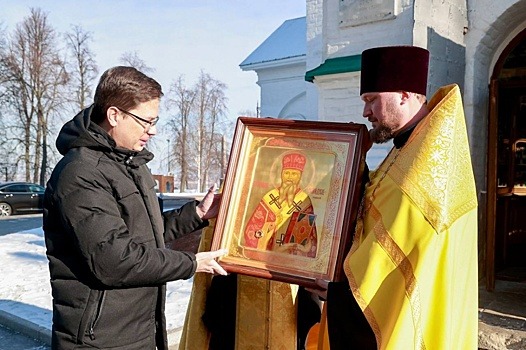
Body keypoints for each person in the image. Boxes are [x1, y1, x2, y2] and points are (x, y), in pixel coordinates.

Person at [43, 66, 227, 350]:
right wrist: (191, 264)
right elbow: (113, 259)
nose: (152, 131)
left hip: (137, 329)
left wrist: (196, 215)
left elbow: (144, 236)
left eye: (155, 121)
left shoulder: (132, 164)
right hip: (99, 339)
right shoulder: (80, 172)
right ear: (115, 115)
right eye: (145, 121)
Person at [323, 46, 479, 349]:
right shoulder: (407, 147)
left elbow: (395, 246)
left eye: (372, 100)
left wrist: (332, 280)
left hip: (391, 318)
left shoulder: (426, 161)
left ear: (404, 94)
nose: (365, 112)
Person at [243, 151, 318, 257]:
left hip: (289, 257)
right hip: (266, 254)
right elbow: (251, 229)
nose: (290, 177)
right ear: (281, 174)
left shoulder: (304, 201)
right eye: (287, 173)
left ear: (300, 177)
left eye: (294, 174)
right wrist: (270, 227)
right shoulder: (269, 197)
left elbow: (309, 235)